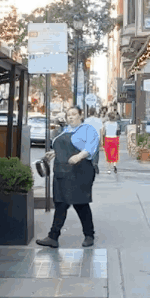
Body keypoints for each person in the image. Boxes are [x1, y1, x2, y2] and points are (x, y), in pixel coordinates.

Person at [36, 106, 100, 248]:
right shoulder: (64, 131)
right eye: (68, 115)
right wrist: (54, 153)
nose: (70, 117)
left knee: (80, 203)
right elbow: (62, 148)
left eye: (73, 114)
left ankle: (89, 235)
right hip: (62, 173)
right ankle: (53, 237)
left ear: (80, 115)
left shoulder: (88, 130)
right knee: (61, 203)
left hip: (80, 172)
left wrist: (79, 156)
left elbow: (91, 147)